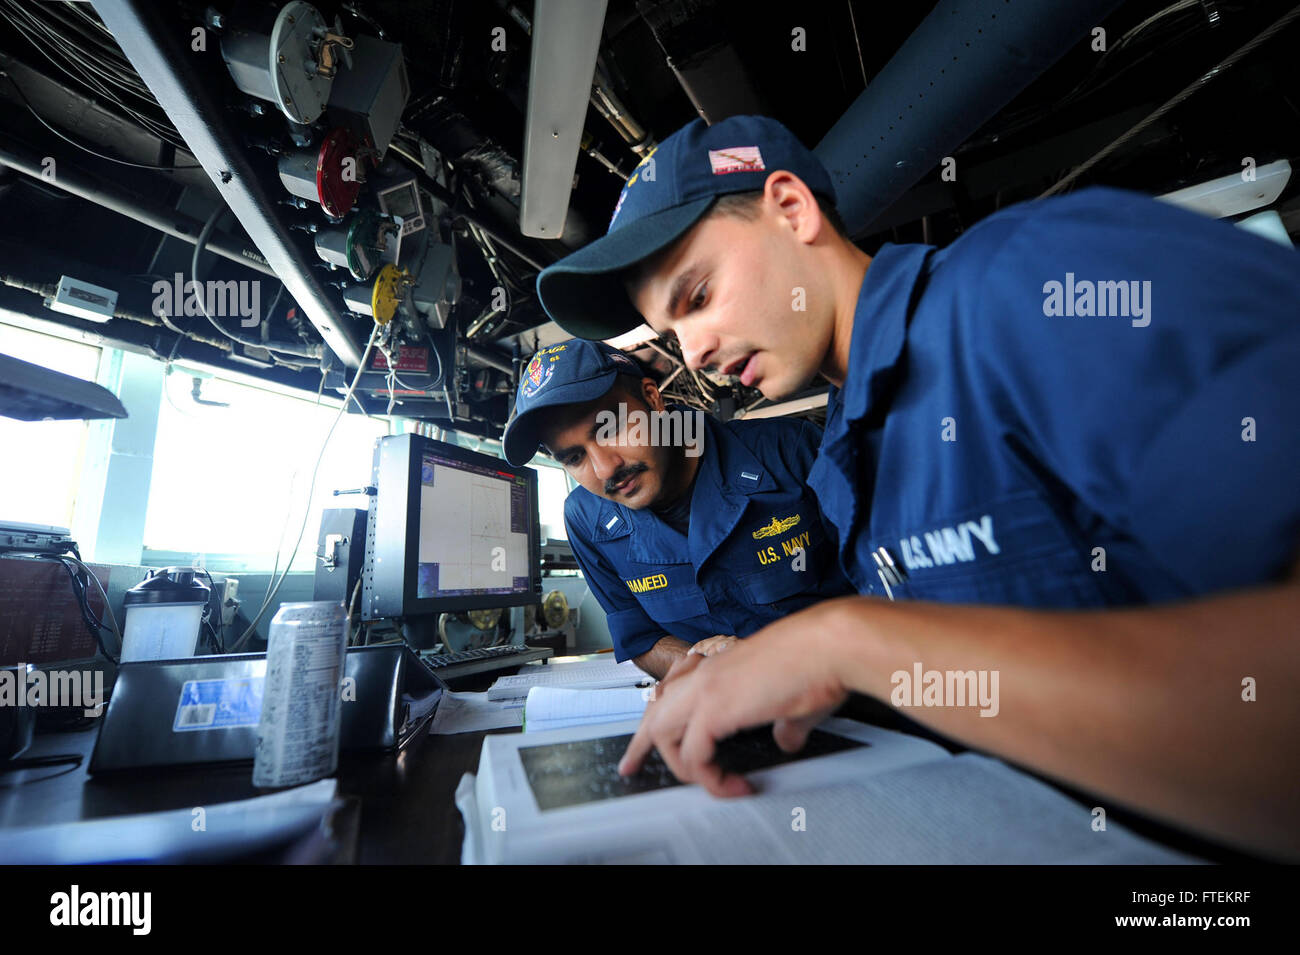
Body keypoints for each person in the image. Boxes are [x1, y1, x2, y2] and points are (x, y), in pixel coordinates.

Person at [531, 115, 1300, 860]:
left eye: (697, 296)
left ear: (792, 210)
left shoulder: (1032, 283)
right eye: (672, 334)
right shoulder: (846, 453)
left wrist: (843, 643)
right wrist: (765, 672)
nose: (694, 353)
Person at [501, 338, 853, 679]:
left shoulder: (791, 453)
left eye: (610, 430)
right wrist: (700, 664)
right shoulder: (586, 520)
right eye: (574, 458)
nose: (605, 469)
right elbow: (640, 638)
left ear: (653, 399)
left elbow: (893, 590)